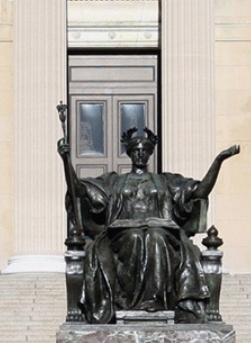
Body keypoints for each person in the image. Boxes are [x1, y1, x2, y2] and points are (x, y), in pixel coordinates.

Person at [58, 114, 237, 324]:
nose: (141, 154)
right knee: (134, 236)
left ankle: (154, 301)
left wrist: (218, 161)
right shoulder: (114, 181)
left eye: (145, 151)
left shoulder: (165, 181)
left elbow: (199, 192)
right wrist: (66, 160)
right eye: (136, 150)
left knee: (156, 237)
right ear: (130, 153)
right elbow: (79, 189)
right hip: (121, 232)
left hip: (162, 230)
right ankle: (129, 300)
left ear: (150, 153)